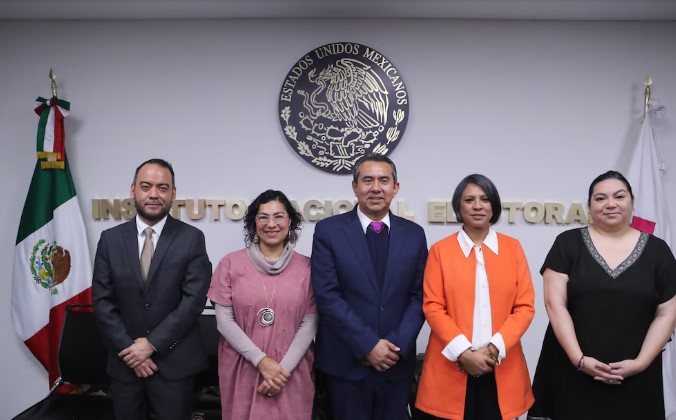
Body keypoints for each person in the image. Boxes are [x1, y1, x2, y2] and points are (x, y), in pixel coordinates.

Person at [528, 170, 676, 420]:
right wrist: (579, 360)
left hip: (636, 374)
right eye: (600, 198)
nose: (610, 204)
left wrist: (640, 363)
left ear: (632, 202)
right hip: (571, 368)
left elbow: (667, 312)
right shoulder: (567, 243)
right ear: (589, 205)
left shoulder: (658, 251)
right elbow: (555, 305)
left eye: (619, 196)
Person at [92, 158, 212, 420]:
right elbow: (102, 302)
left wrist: (152, 345)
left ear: (173, 194)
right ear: (133, 190)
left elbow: (193, 301)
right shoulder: (109, 240)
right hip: (126, 365)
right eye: (146, 187)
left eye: (162, 187)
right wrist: (131, 350)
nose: (154, 194)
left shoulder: (192, 239)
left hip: (174, 365)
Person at [311, 153, 428, 420]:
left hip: (395, 364)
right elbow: (328, 295)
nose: (376, 188)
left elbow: (419, 295)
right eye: (368, 180)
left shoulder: (414, 234)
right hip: (346, 364)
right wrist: (367, 345)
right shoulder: (329, 231)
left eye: (384, 180)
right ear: (355, 187)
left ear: (395, 188)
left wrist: (394, 346)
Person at [415, 174, 535, 420]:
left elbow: (524, 307)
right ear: (459, 206)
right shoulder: (440, 251)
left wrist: (492, 350)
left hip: (501, 366)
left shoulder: (513, 248)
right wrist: (464, 353)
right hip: (452, 367)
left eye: (485, 199)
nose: (477, 206)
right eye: (469, 200)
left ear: (495, 206)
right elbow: (433, 307)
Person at [208, 189, 317, 420]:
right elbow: (223, 321)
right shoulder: (230, 264)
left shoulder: (308, 268)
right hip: (242, 367)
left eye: (279, 216)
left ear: (290, 221)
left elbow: (310, 322)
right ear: (253, 223)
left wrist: (281, 371)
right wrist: (261, 361)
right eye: (263, 217)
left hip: (291, 370)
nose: (271, 224)